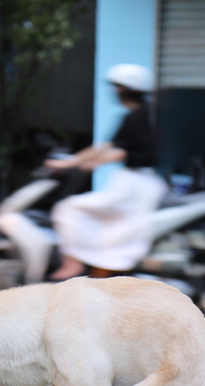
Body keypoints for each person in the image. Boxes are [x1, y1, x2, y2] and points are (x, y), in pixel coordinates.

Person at [45, 64, 168, 279]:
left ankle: (72, 263)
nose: (114, 91)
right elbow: (107, 146)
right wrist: (73, 162)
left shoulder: (137, 117)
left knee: (68, 209)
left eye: (117, 87)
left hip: (133, 184)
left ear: (126, 89)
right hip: (139, 182)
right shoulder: (141, 114)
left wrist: (85, 163)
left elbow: (118, 151)